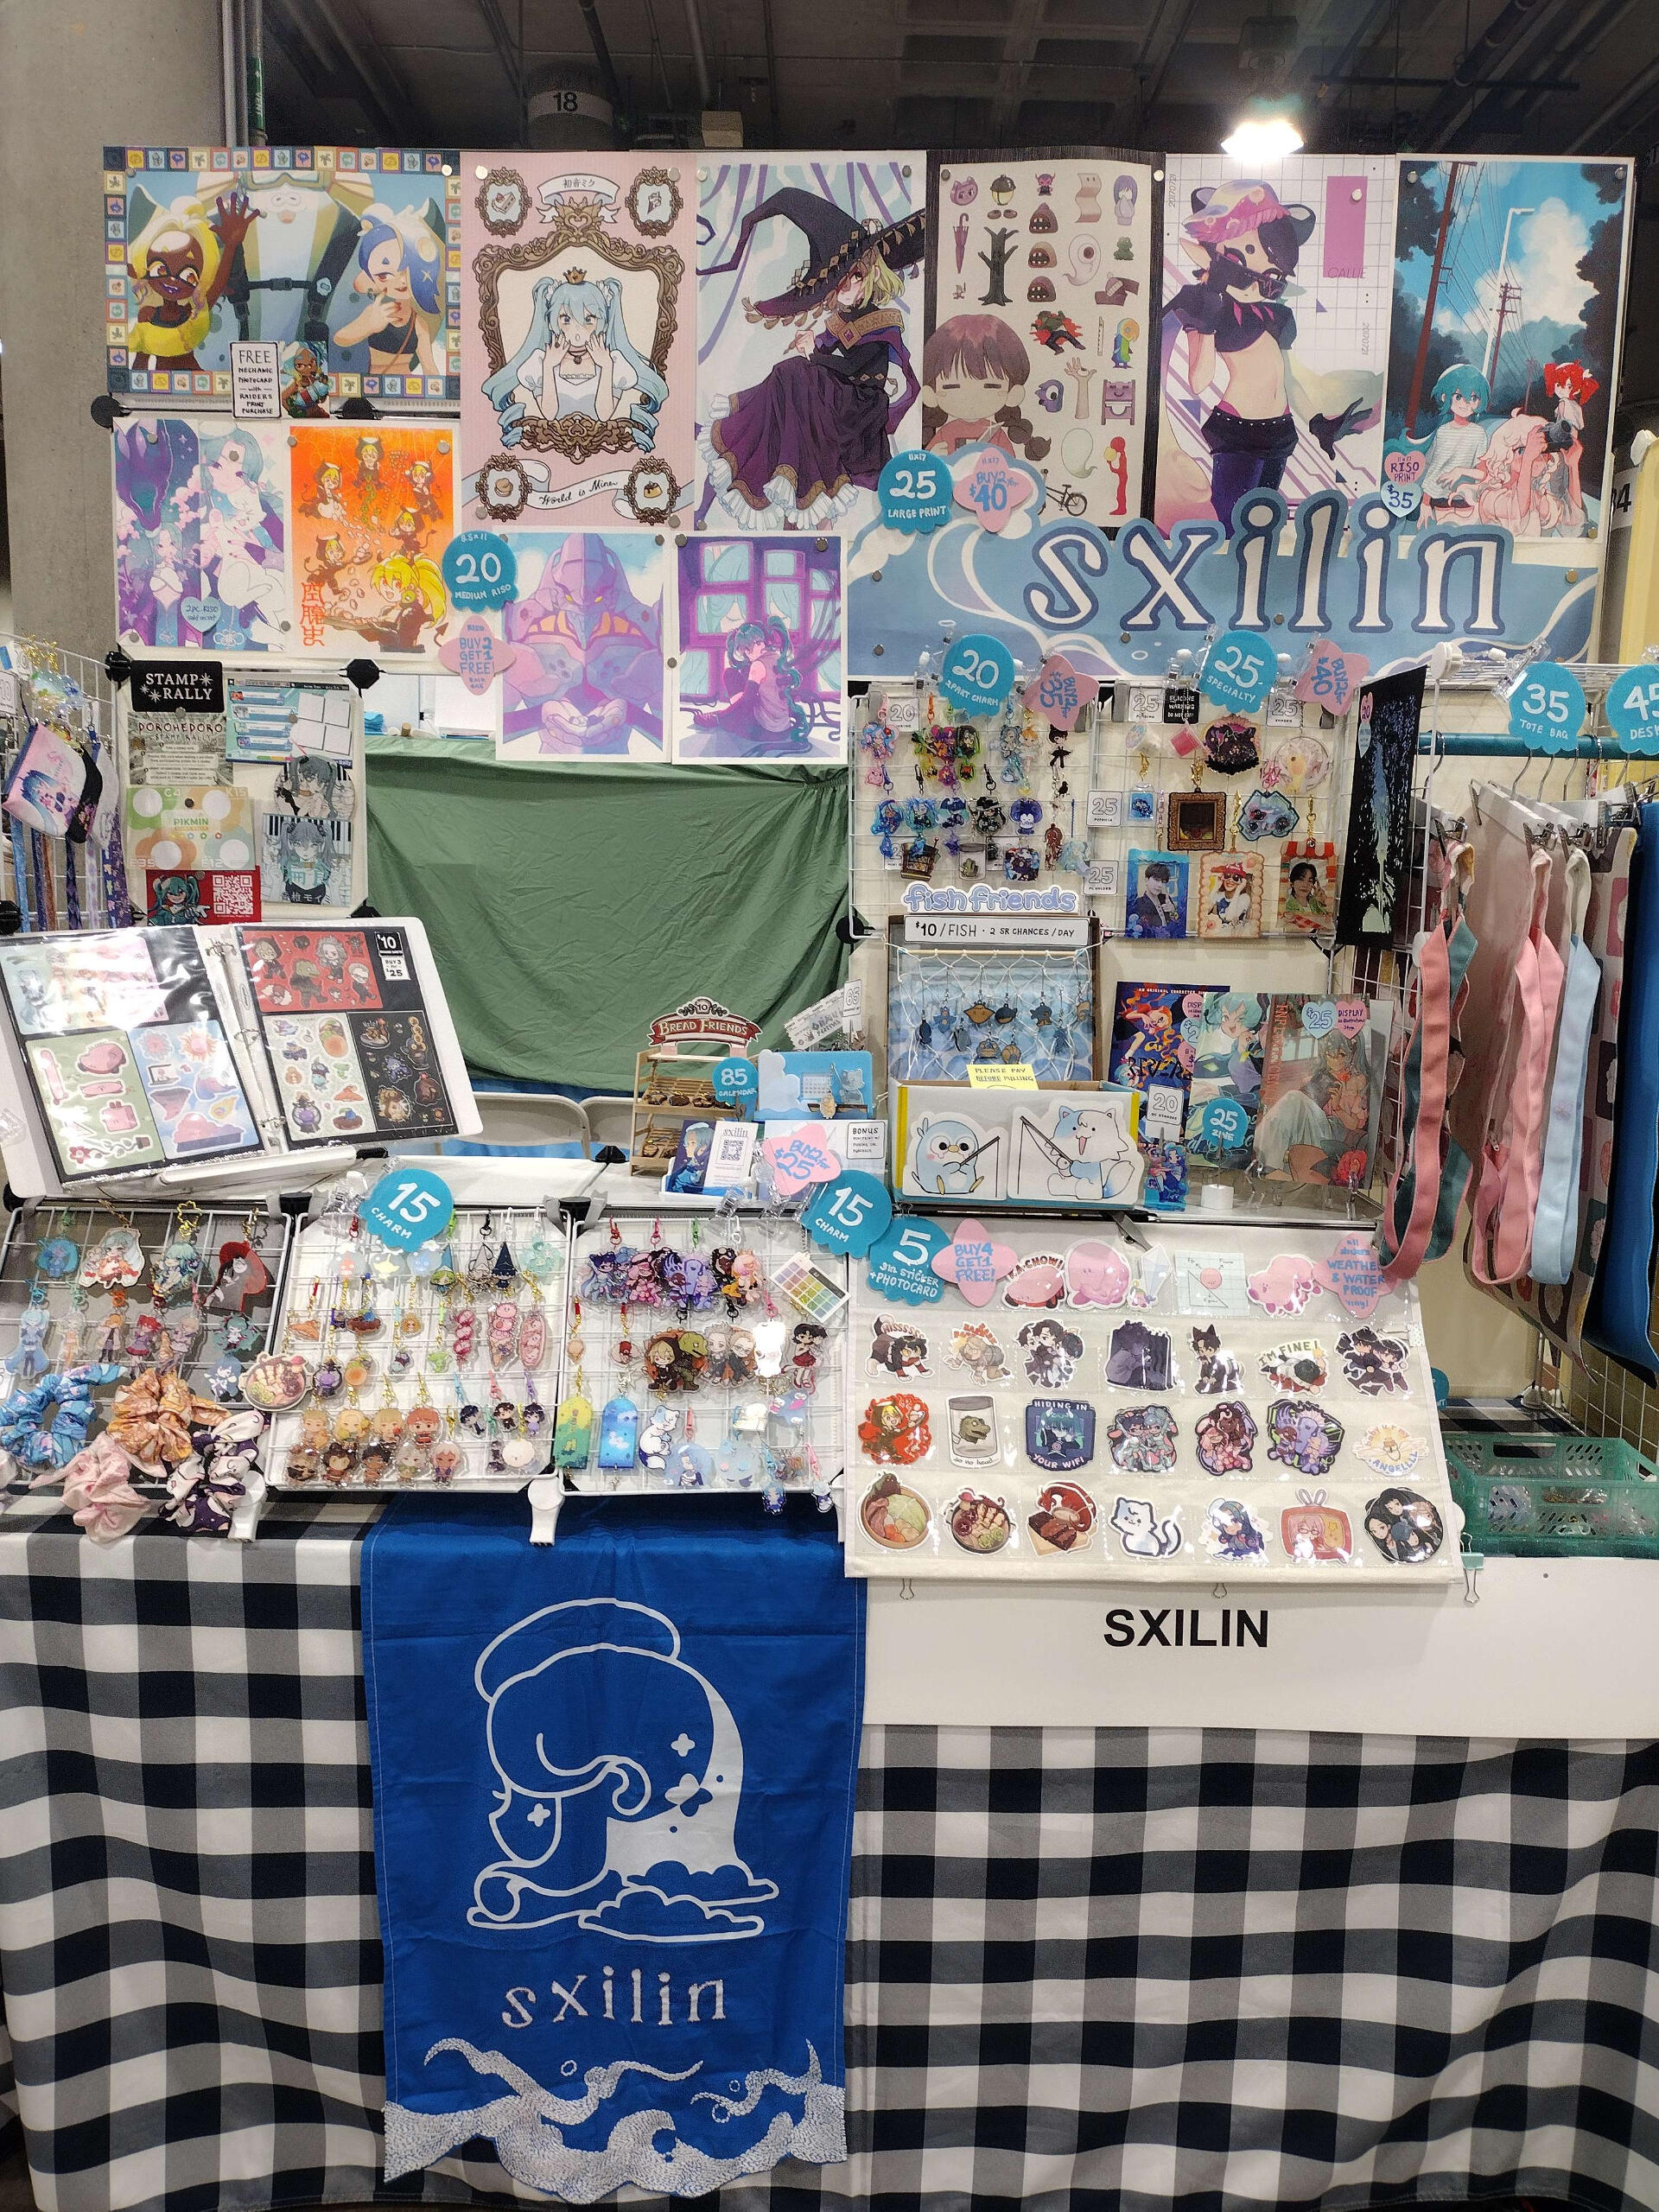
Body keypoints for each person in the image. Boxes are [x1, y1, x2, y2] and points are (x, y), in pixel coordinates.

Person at [696, 186, 925, 531]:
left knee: (798, 374)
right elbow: (830, 352)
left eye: (854, 277)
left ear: (874, 273)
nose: (845, 287)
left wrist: (814, 353)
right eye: (840, 282)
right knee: (791, 373)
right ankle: (768, 448)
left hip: (861, 407)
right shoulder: (844, 317)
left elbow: (851, 367)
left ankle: (763, 434)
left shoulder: (882, 321)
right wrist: (814, 343)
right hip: (839, 397)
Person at [1161, 178, 1316, 525]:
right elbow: (1199, 380)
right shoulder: (1204, 304)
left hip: (1280, 430)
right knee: (1232, 527)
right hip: (1239, 431)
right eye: (1244, 260)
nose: (1260, 284)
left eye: (1272, 279)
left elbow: (1286, 378)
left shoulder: (1276, 315)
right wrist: (1208, 315)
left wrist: (1318, 420)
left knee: (1263, 525)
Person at [482, 271, 668, 449]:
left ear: (603, 323)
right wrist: (548, 366)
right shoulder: (540, 362)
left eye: (589, 319)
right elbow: (549, 414)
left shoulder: (614, 362)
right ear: (552, 322)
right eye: (566, 319)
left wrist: (606, 366)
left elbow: (604, 416)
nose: (577, 333)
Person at [920, 315, 1050, 463]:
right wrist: (934, 456)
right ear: (931, 394)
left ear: (1013, 393)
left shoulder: (995, 433)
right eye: (951, 387)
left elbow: (1009, 464)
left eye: (990, 386)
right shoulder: (946, 432)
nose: (971, 398)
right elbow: (928, 464)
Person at [1417, 365, 1491, 520]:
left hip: (1466, 500)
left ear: (1479, 402)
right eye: (1458, 396)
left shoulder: (1479, 434)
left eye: (1473, 398)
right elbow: (1433, 469)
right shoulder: (1442, 431)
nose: (1465, 403)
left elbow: (1482, 473)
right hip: (1439, 500)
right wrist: (1425, 502)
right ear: (1445, 397)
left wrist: (1460, 471)